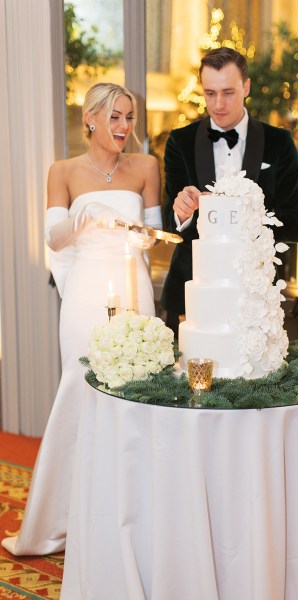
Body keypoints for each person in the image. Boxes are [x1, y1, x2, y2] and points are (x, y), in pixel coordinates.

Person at [2, 82, 162, 556]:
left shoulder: (146, 167)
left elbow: (152, 234)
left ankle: (133, 514)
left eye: (129, 118)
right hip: (86, 290)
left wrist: (139, 236)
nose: (124, 128)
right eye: (115, 117)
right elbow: (54, 240)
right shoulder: (64, 171)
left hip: (132, 286)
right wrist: (83, 217)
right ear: (90, 119)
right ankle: (63, 518)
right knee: (80, 386)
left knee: (137, 390)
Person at [160, 48, 298, 335]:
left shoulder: (279, 143)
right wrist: (183, 213)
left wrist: (244, 217)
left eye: (228, 92)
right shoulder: (180, 142)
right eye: (209, 93)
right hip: (191, 301)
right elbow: (172, 224)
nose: (218, 104)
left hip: (255, 301)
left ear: (246, 87)